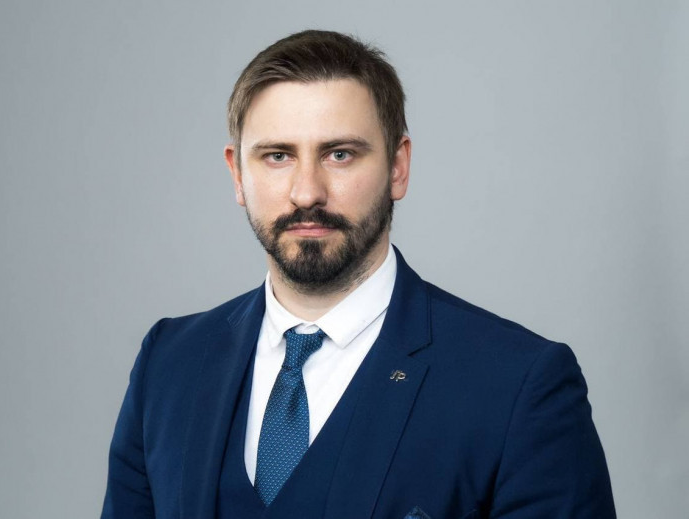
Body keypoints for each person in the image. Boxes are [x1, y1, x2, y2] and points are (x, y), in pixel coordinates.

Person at [101, 30, 616, 519]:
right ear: (237, 174)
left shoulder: (517, 385)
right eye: (278, 156)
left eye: (340, 154)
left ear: (398, 167)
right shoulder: (168, 364)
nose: (307, 192)